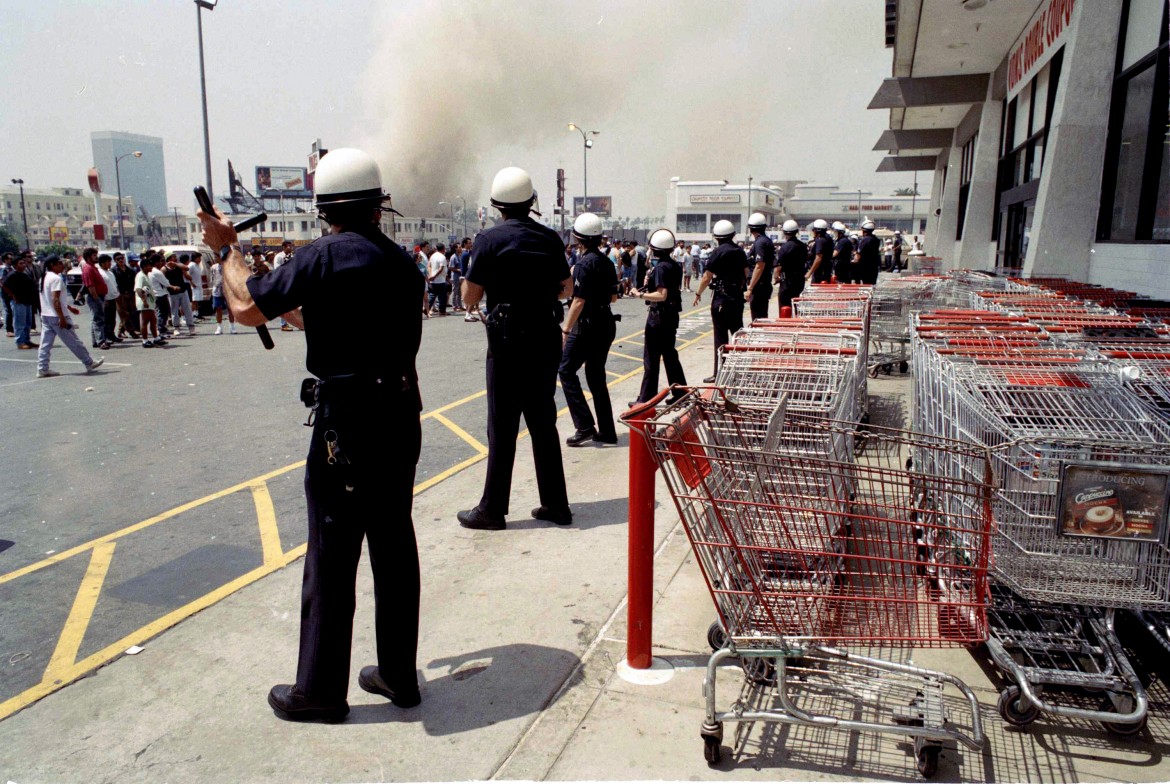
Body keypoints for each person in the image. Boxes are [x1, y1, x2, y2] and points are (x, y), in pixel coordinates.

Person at [198, 146, 425, 722]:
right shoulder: (402, 263)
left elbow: (248, 306)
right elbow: (326, 315)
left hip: (346, 424)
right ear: (378, 203)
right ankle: (399, 675)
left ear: (324, 204)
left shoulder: (321, 256)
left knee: (332, 553)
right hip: (399, 414)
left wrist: (228, 250)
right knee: (394, 546)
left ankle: (321, 691)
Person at [457, 166, 572, 531]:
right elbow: (566, 289)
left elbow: (470, 299)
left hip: (507, 343)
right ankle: (556, 504)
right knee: (543, 422)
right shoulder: (550, 238)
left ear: (496, 205)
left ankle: (492, 509)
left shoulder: (488, 240)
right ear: (531, 202)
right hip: (545, 337)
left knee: (502, 426)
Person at [559, 212, 619, 447]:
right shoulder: (606, 262)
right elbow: (613, 298)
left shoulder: (584, 264)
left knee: (565, 370)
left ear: (578, 239)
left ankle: (584, 425)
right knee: (596, 378)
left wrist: (566, 330)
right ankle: (607, 431)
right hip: (606, 322)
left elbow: (579, 301)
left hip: (587, 326)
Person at [631, 228, 687, 404]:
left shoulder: (661, 268)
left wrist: (639, 295)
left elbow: (662, 295)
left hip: (658, 317)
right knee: (670, 355)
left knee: (651, 359)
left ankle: (647, 398)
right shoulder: (673, 266)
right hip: (670, 316)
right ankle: (680, 392)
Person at [693, 219, 749, 383]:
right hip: (736, 298)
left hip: (721, 299)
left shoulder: (717, 252)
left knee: (720, 337)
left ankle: (720, 374)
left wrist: (698, 294)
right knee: (738, 335)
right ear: (732, 235)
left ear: (716, 237)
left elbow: (706, 277)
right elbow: (746, 271)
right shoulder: (739, 251)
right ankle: (740, 371)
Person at [36, 255, 103, 377]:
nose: (63, 266)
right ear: (53, 265)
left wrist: (69, 307)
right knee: (73, 341)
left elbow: (53, 300)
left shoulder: (44, 277)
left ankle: (42, 368)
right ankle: (89, 362)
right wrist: (62, 317)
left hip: (46, 314)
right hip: (57, 316)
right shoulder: (56, 278)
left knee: (45, 344)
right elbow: (55, 300)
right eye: (60, 263)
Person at [2, 256, 38, 349]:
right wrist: (12, 296)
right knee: (19, 323)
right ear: (15, 265)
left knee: (28, 323)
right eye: (20, 263)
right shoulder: (12, 275)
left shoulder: (24, 274)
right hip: (18, 302)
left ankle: (27, 340)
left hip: (27, 301)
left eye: (23, 263)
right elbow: (4, 285)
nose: (23, 265)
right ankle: (20, 342)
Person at [79, 247, 111, 350]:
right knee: (98, 319)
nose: (96, 257)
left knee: (96, 319)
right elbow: (90, 286)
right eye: (94, 255)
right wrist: (97, 299)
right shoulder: (88, 268)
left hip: (99, 296)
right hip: (95, 297)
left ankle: (96, 341)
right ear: (88, 257)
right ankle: (101, 341)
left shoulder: (93, 267)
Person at [745, 212, 774, 322]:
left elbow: (759, 265)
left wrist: (750, 288)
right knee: (761, 316)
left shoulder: (760, 243)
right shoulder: (766, 241)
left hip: (759, 286)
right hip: (764, 283)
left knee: (758, 319)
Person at [774, 219, 807, 309]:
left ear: (784, 232)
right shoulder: (803, 246)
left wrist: (776, 277)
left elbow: (778, 267)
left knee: (785, 306)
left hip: (787, 281)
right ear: (797, 232)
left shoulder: (784, 247)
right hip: (799, 280)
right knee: (796, 303)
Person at [134, 256, 164, 347]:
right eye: (150, 266)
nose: (151, 268)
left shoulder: (146, 275)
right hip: (145, 303)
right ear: (144, 266)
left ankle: (156, 338)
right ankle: (145, 340)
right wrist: (144, 301)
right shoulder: (140, 276)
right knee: (145, 321)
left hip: (150, 302)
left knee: (153, 320)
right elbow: (138, 290)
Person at [112, 252, 140, 339]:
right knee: (124, 313)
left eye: (122, 258)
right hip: (120, 295)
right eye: (118, 259)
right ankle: (131, 331)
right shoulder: (113, 271)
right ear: (115, 261)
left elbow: (134, 281)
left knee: (131, 313)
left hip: (131, 294)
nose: (120, 260)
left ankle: (121, 331)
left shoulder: (130, 270)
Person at [209, 253, 237, 335]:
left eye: (216, 257)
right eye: (214, 257)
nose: (214, 258)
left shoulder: (229, 266)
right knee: (218, 309)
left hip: (228, 291)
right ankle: (219, 327)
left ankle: (232, 327)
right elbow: (212, 279)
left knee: (230, 309)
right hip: (217, 290)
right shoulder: (213, 267)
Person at [97, 254, 121, 344]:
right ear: (102, 263)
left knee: (112, 319)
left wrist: (117, 294)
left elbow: (114, 285)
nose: (109, 263)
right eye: (107, 262)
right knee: (106, 320)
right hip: (106, 299)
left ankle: (112, 335)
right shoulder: (100, 273)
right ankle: (106, 336)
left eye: (110, 262)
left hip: (113, 298)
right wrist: (104, 299)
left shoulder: (110, 272)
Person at [853, 220, 882, 285]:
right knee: (872, 285)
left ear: (864, 230)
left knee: (866, 285)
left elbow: (858, 254)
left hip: (865, 267)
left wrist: (855, 261)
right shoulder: (876, 239)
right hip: (874, 266)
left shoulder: (865, 240)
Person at [806, 219, 834, 283]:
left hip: (820, 272)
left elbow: (818, 258)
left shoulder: (820, 240)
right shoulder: (827, 238)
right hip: (826, 270)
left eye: (813, 230)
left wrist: (809, 273)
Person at [426, 242, 449, 316]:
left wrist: (430, 275)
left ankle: (426, 308)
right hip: (440, 280)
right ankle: (442, 311)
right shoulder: (442, 257)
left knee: (432, 295)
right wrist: (434, 276)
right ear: (443, 249)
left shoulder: (432, 256)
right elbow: (441, 268)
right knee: (442, 297)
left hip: (433, 280)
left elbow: (429, 265)